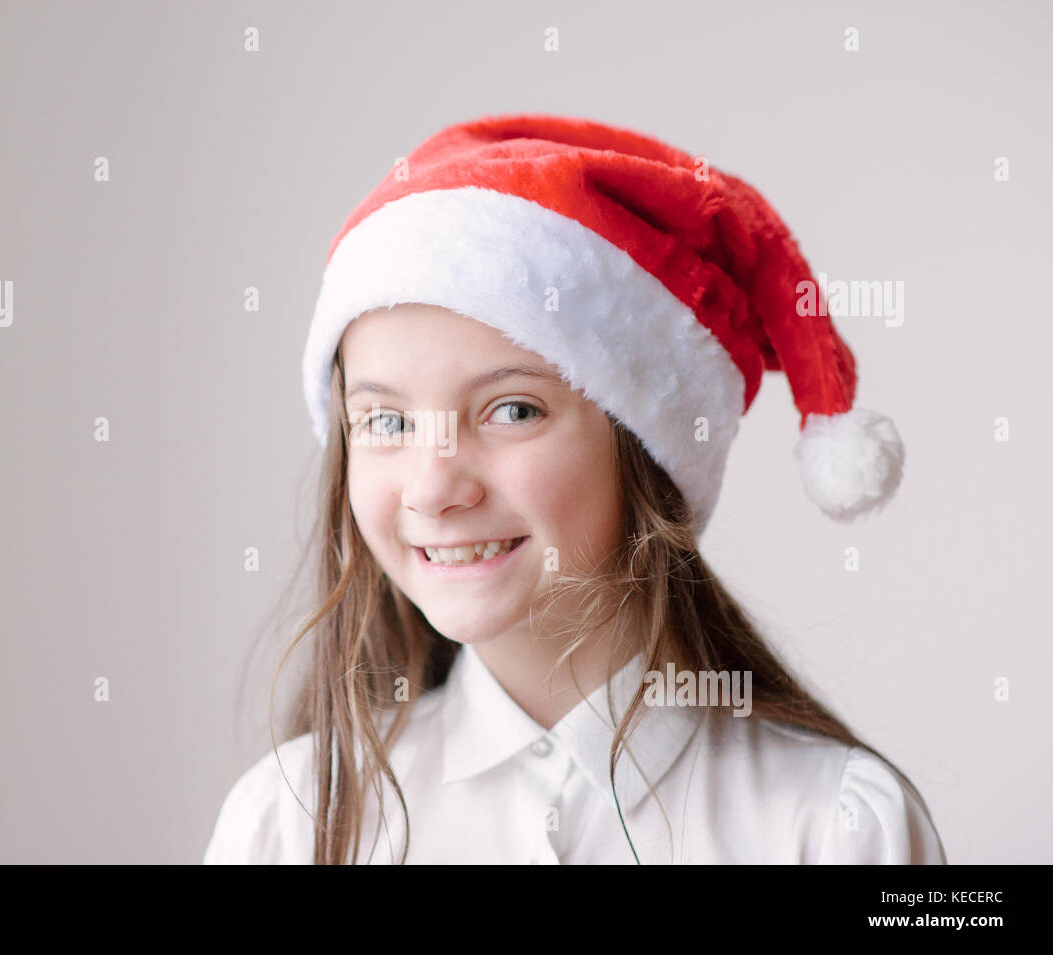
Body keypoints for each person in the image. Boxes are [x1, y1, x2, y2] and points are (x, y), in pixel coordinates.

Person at [202, 113, 947, 864]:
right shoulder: (287, 825)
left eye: (513, 410)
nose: (432, 487)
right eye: (385, 421)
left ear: (646, 448)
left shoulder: (834, 826)